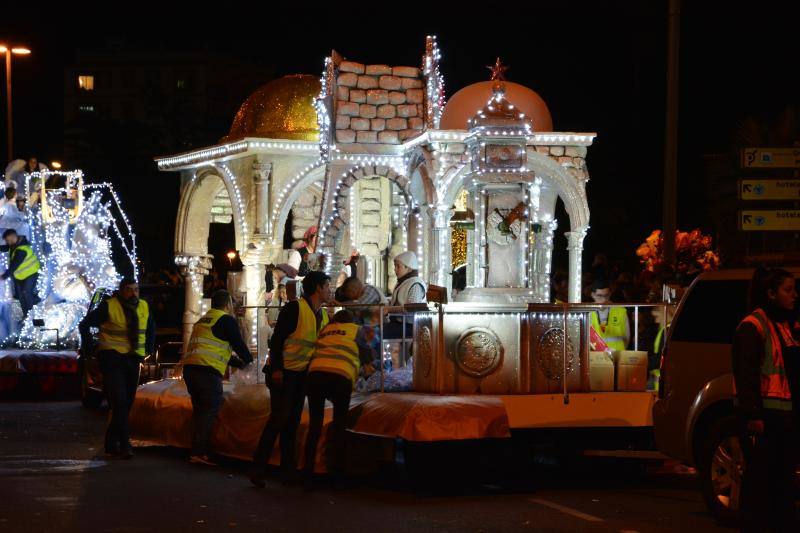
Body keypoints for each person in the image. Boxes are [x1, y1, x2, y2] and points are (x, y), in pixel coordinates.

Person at [250, 271, 331, 487]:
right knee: (278, 419)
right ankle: (258, 468)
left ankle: (287, 470)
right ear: (318, 288)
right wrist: (277, 369)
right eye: (328, 286)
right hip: (284, 373)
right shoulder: (294, 308)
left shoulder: (322, 315)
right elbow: (276, 341)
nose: (330, 290)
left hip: (301, 375)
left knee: (292, 423)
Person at [732, 268, 799, 530]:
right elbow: (745, 373)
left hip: (784, 413)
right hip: (765, 415)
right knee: (762, 481)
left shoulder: (786, 325)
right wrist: (753, 414)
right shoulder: (753, 326)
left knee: (782, 480)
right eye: (788, 290)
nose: (794, 295)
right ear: (771, 294)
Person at [78, 278, 155, 458]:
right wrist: (89, 347)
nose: (133, 293)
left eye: (136, 289)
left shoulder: (143, 306)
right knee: (119, 401)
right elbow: (85, 324)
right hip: (112, 359)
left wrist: (148, 350)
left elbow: (151, 328)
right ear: (121, 290)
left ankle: (111, 443)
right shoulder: (109, 306)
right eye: (129, 290)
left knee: (127, 402)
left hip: (133, 358)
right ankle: (124, 443)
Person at [302, 309, 376, 488]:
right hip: (340, 377)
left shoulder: (325, 330)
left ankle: (307, 476)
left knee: (315, 427)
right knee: (339, 426)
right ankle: (337, 477)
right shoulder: (356, 330)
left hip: (315, 377)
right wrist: (369, 366)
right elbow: (367, 355)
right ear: (351, 320)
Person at [180, 290, 253, 465]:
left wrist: (238, 364)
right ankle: (199, 452)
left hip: (191, 369)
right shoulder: (226, 319)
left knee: (200, 410)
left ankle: (196, 450)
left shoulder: (203, 320)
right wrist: (250, 361)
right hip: (207, 372)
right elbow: (238, 343)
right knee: (209, 409)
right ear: (228, 304)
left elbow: (214, 349)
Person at [383, 251, 426, 339]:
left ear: (409, 269)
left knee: (377, 333)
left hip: (409, 326)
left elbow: (412, 308)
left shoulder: (415, 284)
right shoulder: (404, 282)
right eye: (395, 266)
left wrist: (388, 309)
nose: (395, 269)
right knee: (373, 330)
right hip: (398, 323)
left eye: (398, 266)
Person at [1, 229, 41, 317]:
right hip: (20, 276)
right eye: (7, 241)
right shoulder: (15, 244)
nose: (8, 242)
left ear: (13, 237)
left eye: (9, 240)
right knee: (21, 296)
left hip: (31, 273)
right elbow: (6, 248)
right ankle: (26, 315)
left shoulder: (22, 250)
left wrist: (3, 276)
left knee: (26, 293)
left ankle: (33, 316)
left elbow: (14, 266)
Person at [588, 279, 629, 352]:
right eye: (599, 296)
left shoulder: (621, 311)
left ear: (610, 294)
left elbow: (627, 338)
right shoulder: (587, 313)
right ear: (593, 295)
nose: (603, 300)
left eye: (606, 296)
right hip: (596, 357)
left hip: (617, 355)